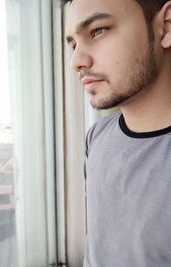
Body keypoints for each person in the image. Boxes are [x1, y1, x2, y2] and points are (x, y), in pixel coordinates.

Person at [60, 0, 171, 266]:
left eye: (98, 31)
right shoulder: (97, 137)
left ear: (166, 27)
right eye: (73, 44)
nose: (76, 61)